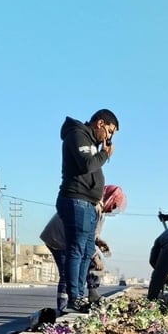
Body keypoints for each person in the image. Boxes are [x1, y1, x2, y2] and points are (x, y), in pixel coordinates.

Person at [54, 108, 118, 314]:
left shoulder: (92, 144)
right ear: (100, 124)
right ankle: (74, 297)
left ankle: (79, 295)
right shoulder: (77, 135)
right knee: (77, 250)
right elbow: (86, 165)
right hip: (75, 201)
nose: (109, 137)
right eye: (109, 131)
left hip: (89, 205)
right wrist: (104, 154)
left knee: (86, 253)